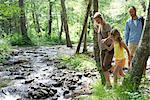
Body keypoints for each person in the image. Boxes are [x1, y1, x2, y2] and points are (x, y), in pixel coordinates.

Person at [93, 12, 114, 88]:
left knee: (106, 65)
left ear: (101, 18)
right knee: (103, 67)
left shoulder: (107, 25)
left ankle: (118, 73)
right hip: (102, 49)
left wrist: (105, 39)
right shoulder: (99, 27)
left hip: (108, 49)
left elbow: (111, 36)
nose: (97, 21)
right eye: (95, 20)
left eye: (98, 19)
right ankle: (108, 84)